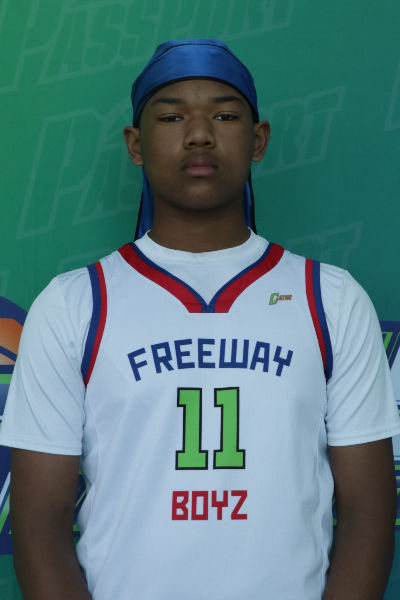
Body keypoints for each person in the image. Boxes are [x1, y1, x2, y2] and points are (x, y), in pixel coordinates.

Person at [1, 38, 399, 600]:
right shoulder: (75, 304)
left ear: (258, 140)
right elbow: (39, 526)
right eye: (171, 116)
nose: (199, 134)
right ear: (135, 144)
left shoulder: (329, 299)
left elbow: (369, 513)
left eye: (225, 115)